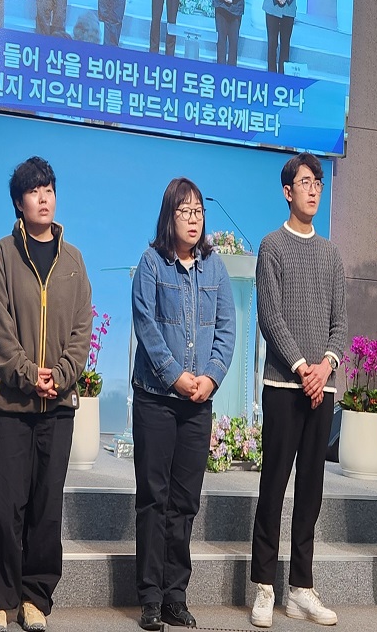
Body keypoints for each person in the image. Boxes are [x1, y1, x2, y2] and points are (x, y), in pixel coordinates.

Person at [0, 157, 93, 632]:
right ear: (19, 203)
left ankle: (35, 596)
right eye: (34, 191)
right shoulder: (3, 254)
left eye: (49, 189)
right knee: (5, 503)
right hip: (8, 403)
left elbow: (82, 329)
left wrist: (60, 376)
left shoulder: (74, 260)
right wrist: (27, 373)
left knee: (46, 507)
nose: (44, 198)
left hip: (57, 407)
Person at [131, 178, 236, 631]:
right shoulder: (151, 263)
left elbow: (227, 330)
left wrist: (210, 377)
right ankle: (150, 598)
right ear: (169, 216)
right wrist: (175, 375)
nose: (193, 219)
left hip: (198, 403)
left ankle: (176, 595)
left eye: (198, 212)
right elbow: (146, 325)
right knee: (154, 499)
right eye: (184, 211)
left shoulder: (215, 268)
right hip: (156, 399)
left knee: (185, 503)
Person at [250, 153, 347, 629]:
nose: (313, 190)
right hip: (284, 385)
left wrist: (325, 367)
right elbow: (270, 316)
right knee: (274, 486)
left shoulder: (331, 255)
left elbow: (340, 323)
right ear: (287, 191)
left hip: (320, 388)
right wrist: (302, 367)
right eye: (305, 182)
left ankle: (301, 589)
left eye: (318, 183)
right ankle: (264, 586)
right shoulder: (272, 246)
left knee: (311, 489)